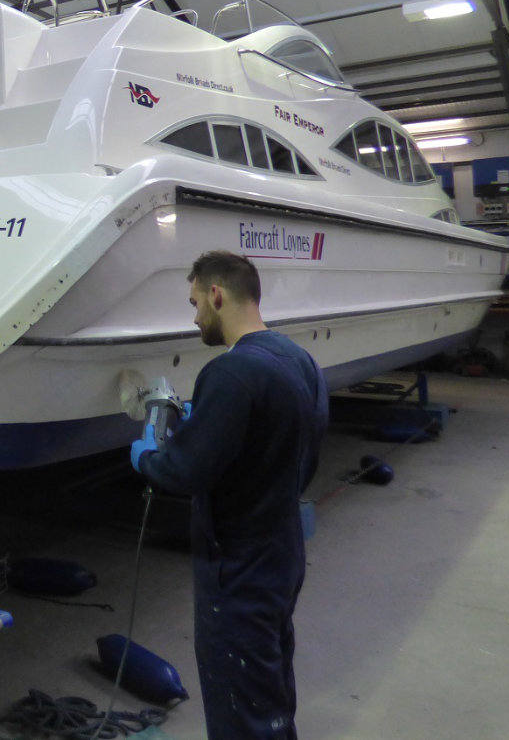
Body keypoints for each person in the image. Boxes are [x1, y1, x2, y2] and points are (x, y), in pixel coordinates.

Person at [130, 250, 329, 740]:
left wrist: (146, 456)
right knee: (269, 685)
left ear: (217, 295)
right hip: (281, 554)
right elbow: (302, 448)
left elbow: (183, 472)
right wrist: (217, 422)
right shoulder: (299, 359)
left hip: (237, 569)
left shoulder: (231, 372)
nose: (195, 316)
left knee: (238, 696)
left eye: (195, 302)